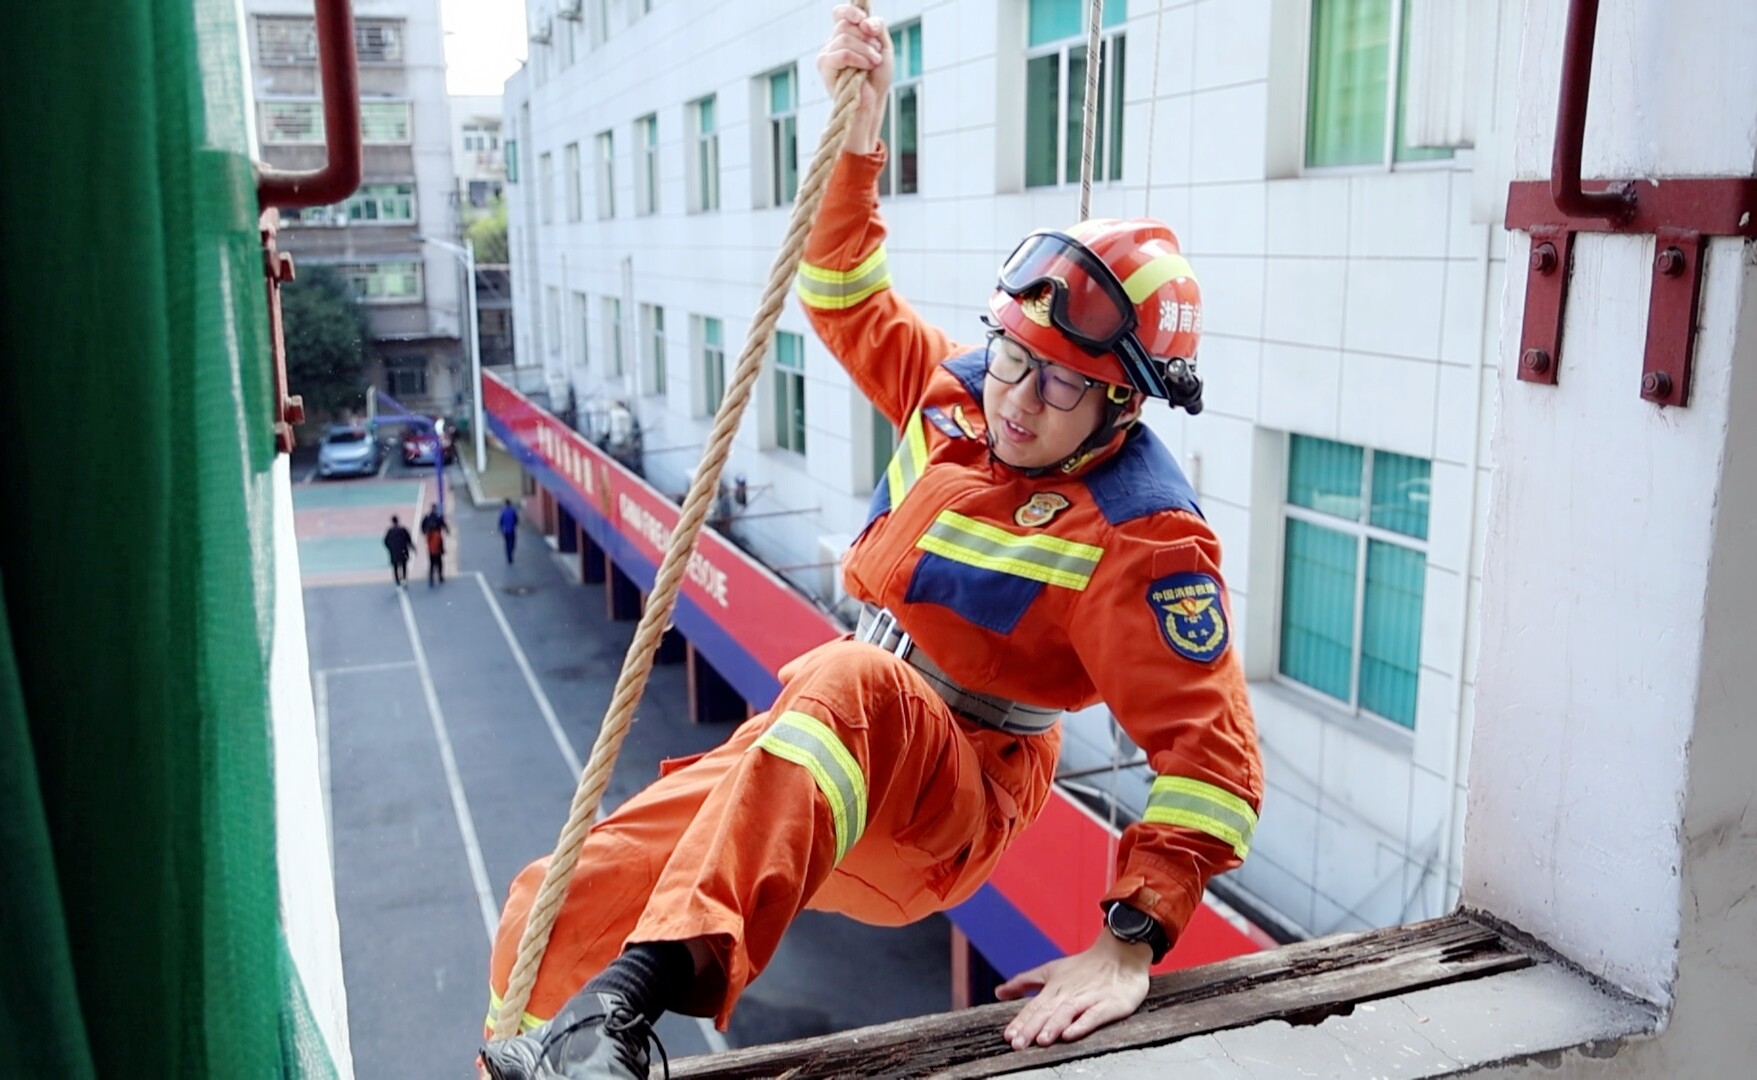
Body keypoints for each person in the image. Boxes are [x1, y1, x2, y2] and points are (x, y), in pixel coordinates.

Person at [477, 9, 1260, 1078]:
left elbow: (1211, 763)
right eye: (1013, 358)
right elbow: (842, 285)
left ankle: (624, 1012)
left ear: (1122, 401)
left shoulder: (1141, 533)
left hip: (952, 793)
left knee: (845, 680)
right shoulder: (959, 398)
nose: (1021, 403)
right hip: (827, 739)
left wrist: (1126, 944)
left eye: (1064, 383)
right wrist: (857, 133)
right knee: (551, 906)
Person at [421, 504, 450, 586]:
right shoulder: (438, 516)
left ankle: (431, 578)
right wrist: (447, 531)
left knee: (431, 561)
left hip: (430, 541)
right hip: (437, 539)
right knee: (439, 560)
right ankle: (440, 576)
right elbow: (444, 525)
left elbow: (423, 527)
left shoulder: (427, 517)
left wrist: (425, 532)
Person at [384, 515, 415, 588]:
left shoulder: (390, 531)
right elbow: (409, 540)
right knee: (404, 566)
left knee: (395, 567)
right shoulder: (403, 529)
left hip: (394, 552)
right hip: (403, 551)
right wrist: (413, 548)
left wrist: (390, 548)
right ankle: (404, 579)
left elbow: (385, 541)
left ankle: (397, 581)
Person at [499, 499, 520, 564]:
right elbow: (516, 519)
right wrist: (515, 525)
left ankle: (509, 556)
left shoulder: (503, 511)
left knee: (507, 543)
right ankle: (510, 554)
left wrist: (501, 529)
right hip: (512, 530)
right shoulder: (513, 511)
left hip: (505, 531)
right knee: (512, 543)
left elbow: (500, 522)